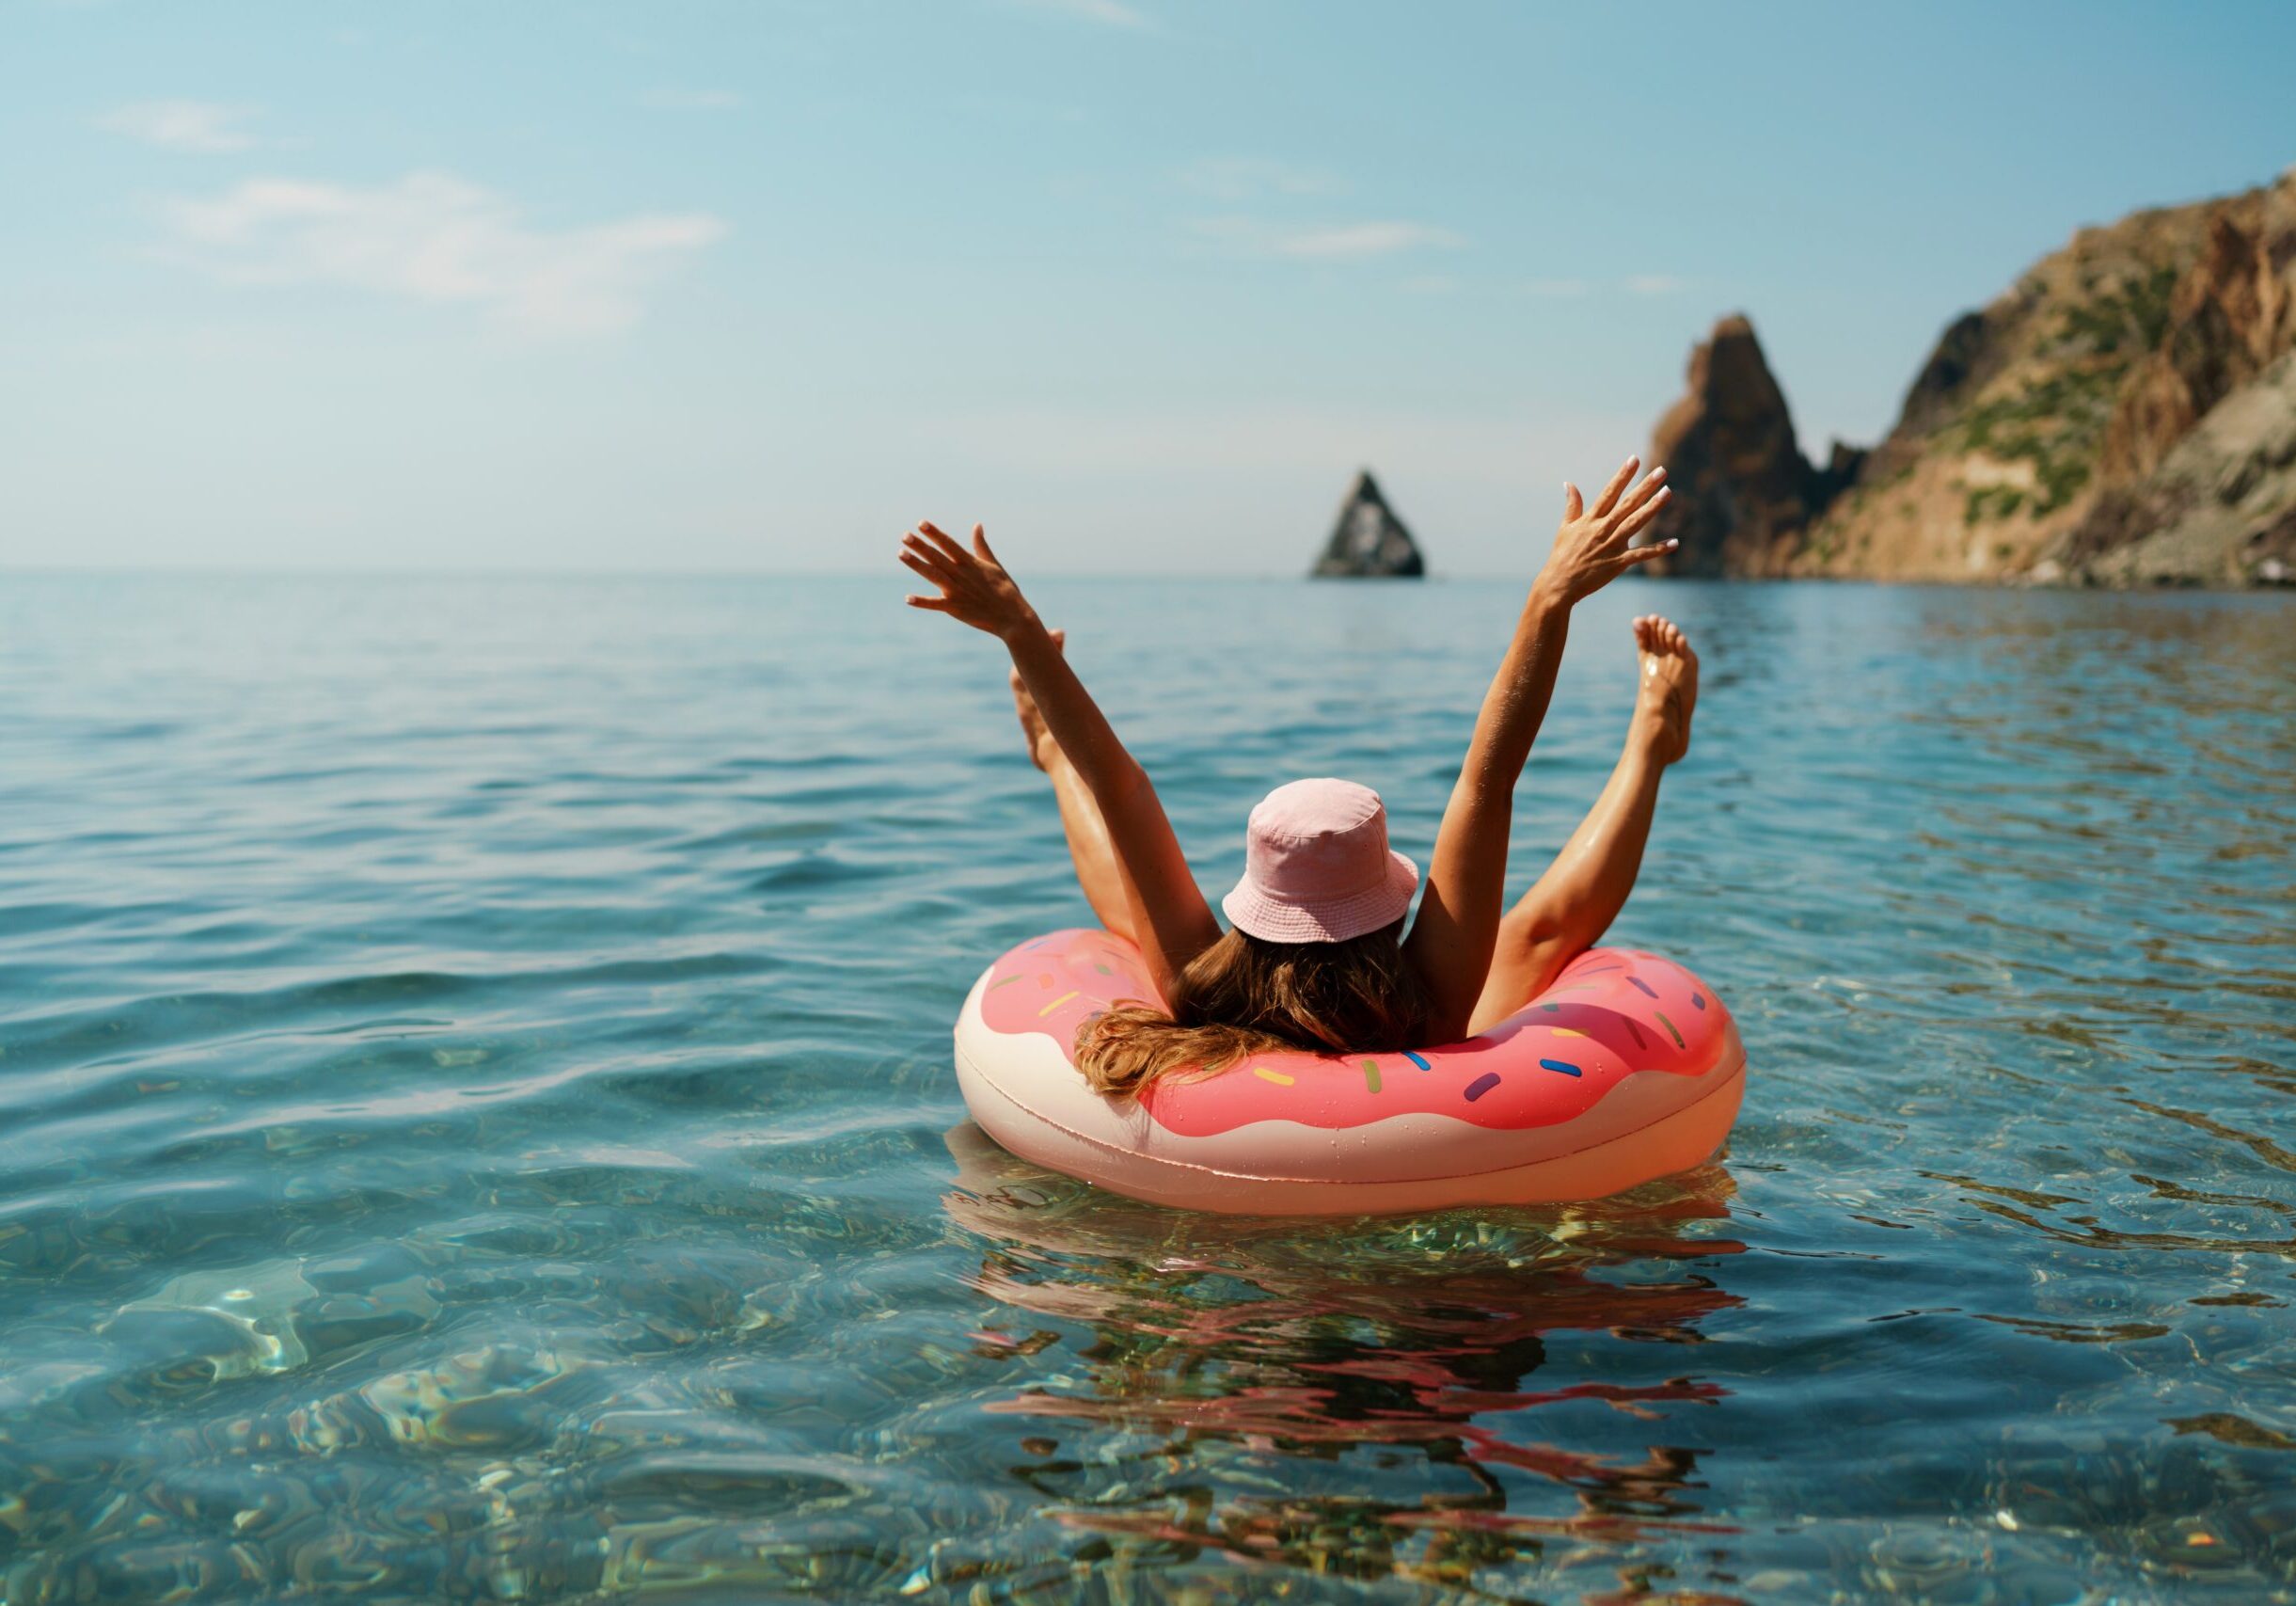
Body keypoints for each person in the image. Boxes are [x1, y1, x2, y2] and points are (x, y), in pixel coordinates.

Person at [898, 456, 1698, 1097]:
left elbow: (1122, 790)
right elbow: (1487, 781)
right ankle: (1648, 748)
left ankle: (1047, 755)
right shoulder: (1431, 998)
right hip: (1435, 1113)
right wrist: (1549, 599)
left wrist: (1018, 630)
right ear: (1388, 904)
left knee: (1131, 907)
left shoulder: (1200, 993)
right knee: (1532, 934)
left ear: (1258, 906)